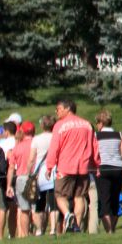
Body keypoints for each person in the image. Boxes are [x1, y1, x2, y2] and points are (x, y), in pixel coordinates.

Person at [49, 97, 97, 234]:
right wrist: (95, 165)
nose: (56, 112)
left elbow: (54, 147)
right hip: (83, 167)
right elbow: (94, 146)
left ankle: (68, 215)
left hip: (65, 167)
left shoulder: (60, 125)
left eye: (58, 109)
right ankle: (76, 225)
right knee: (79, 197)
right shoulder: (87, 124)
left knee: (60, 195)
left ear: (67, 108)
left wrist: (49, 165)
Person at [96, 110, 122, 235]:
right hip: (118, 169)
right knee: (115, 199)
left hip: (103, 168)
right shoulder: (119, 135)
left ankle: (109, 230)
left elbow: (94, 153)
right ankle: (112, 228)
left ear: (101, 123)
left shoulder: (96, 135)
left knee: (104, 200)